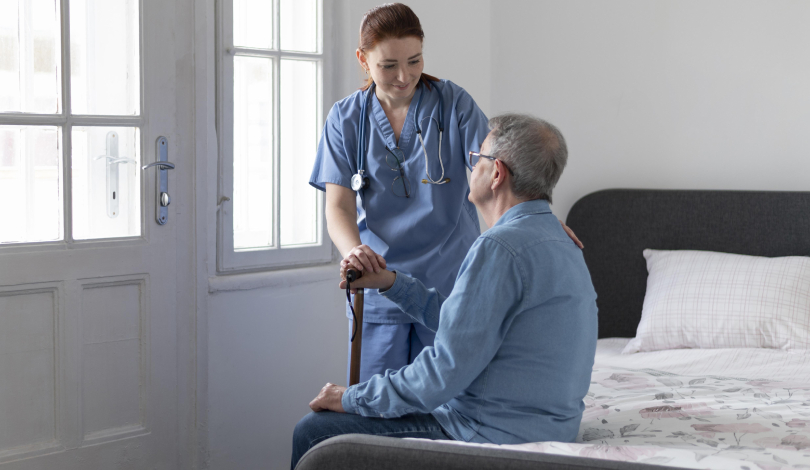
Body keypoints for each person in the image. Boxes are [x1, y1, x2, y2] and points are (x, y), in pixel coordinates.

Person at [292, 114, 599, 469]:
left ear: (497, 173)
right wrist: (393, 284)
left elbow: (440, 376)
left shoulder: (500, 247)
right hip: (549, 428)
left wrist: (351, 397)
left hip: (492, 433)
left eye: (477, 158)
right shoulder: (563, 241)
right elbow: (468, 324)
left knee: (313, 431)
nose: (471, 168)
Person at [309, 3, 583, 385]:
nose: (404, 76)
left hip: (448, 284)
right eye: (388, 66)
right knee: (373, 416)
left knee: (445, 410)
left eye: (414, 60)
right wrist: (353, 251)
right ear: (363, 60)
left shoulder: (453, 103)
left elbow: (497, 175)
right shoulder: (345, 118)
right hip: (376, 282)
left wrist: (540, 223)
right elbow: (337, 206)